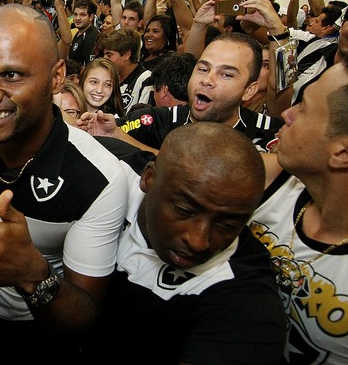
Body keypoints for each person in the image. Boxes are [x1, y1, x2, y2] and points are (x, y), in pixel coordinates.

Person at [0, 3, 128, 363]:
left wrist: (31, 274)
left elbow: (83, 319)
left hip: (41, 329)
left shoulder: (97, 180)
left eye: (12, 75)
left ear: (55, 76)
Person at [90, 122, 286, 364]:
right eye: (184, 210)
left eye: (227, 224)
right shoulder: (105, 170)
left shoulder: (249, 305)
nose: (198, 241)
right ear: (149, 178)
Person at [250, 45, 348, 363]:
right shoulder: (276, 179)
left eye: (304, 107)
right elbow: (174, 167)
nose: (287, 113)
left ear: (345, 153)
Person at [78, 32, 282, 153]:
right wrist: (115, 133)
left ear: (249, 90)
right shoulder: (156, 119)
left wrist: (279, 34)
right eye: (203, 69)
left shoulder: (270, 133)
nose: (207, 80)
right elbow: (115, 128)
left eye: (226, 75)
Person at [98, 28, 153, 110]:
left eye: (109, 55)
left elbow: (144, 117)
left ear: (127, 55)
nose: (104, 59)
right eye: (104, 55)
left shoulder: (146, 79)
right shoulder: (107, 77)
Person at [68, 0, 100, 66]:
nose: (77, 18)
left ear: (91, 17)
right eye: (75, 14)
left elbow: (90, 66)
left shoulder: (92, 37)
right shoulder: (79, 33)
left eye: (82, 15)